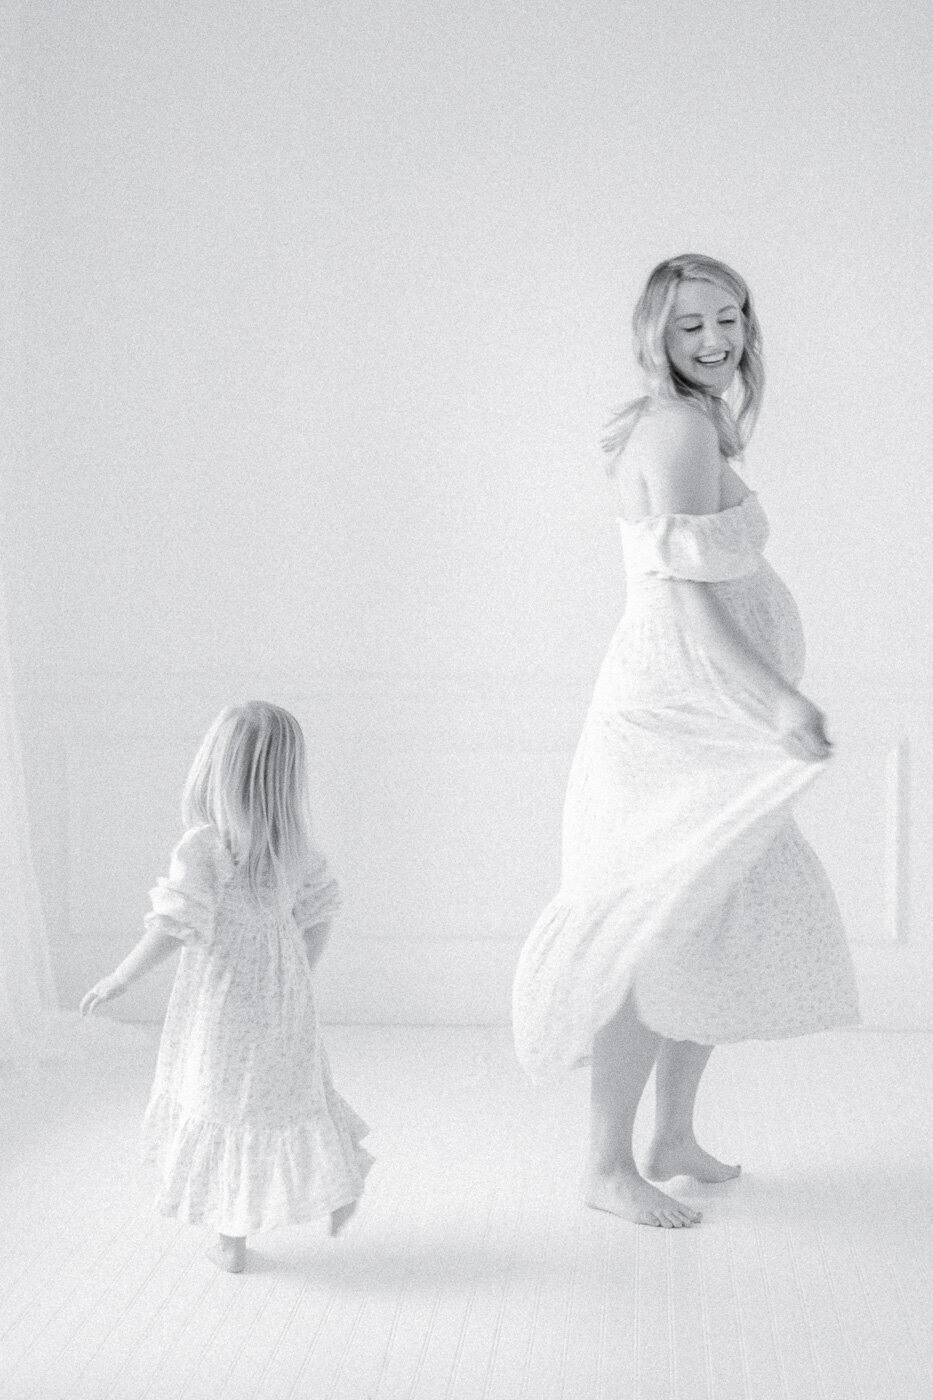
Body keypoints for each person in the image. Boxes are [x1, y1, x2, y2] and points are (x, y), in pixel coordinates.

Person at [512, 254, 859, 1229]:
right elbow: (685, 595)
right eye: (688, 325)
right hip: (677, 714)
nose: (715, 339)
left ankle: (671, 1138)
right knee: (647, 924)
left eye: (729, 318)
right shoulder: (674, 425)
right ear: (653, 337)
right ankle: (605, 1162)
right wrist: (777, 698)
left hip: (709, 712)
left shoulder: (699, 423)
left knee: (711, 912)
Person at [81, 701, 372, 1271]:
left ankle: (231, 1243)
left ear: (216, 768)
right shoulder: (295, 850)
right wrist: (297, 974)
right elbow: (321, 913)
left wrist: (120, 977)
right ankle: (339, 1189)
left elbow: (173, 928)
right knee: (293, 1095)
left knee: (223, 1104)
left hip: (222, 1002)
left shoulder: (207, 848)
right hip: (283, 1000)